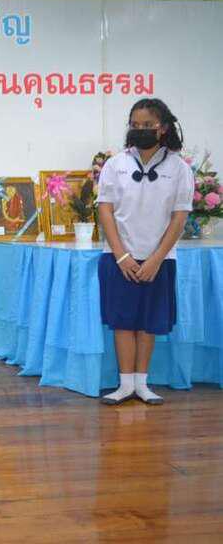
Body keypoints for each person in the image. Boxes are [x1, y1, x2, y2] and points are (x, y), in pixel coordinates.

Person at [96, 98, 193, 406]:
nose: (140, 130)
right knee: (123, 322)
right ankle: (125, 385)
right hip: (119, 258)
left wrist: (155, 259)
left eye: (147, 125)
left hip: (159, 259)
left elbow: (179, 217)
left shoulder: (179, 168)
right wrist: (122, 255)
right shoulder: (115, 164)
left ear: (162, 128)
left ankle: (142, 384)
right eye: (135, 125)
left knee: (149, 322)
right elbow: (105, 210)